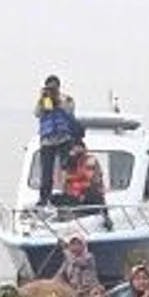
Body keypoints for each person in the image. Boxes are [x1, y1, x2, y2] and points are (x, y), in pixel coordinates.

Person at [34, 74, 79, 207]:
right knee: (46, 173)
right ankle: (44, 199)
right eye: (49, 87)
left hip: (64, 139)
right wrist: (42, 99)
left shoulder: (66, 99)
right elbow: (37, 113)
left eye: (53, 87)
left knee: (67, 169)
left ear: (59, 87)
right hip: (47, 141)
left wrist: (58, 100)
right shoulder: (44, 100)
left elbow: (70, 111)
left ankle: (68, 196)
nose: (51, 90)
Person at [59, 141, 105, 208]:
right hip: (73, 196)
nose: (75, 149)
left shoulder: (90, 160)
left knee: (93, 196)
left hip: (89, 194)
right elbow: (64, 182)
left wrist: (70, 177)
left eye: (78, 147)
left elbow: (90, 177)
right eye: (74, 148)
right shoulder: (68, 162)